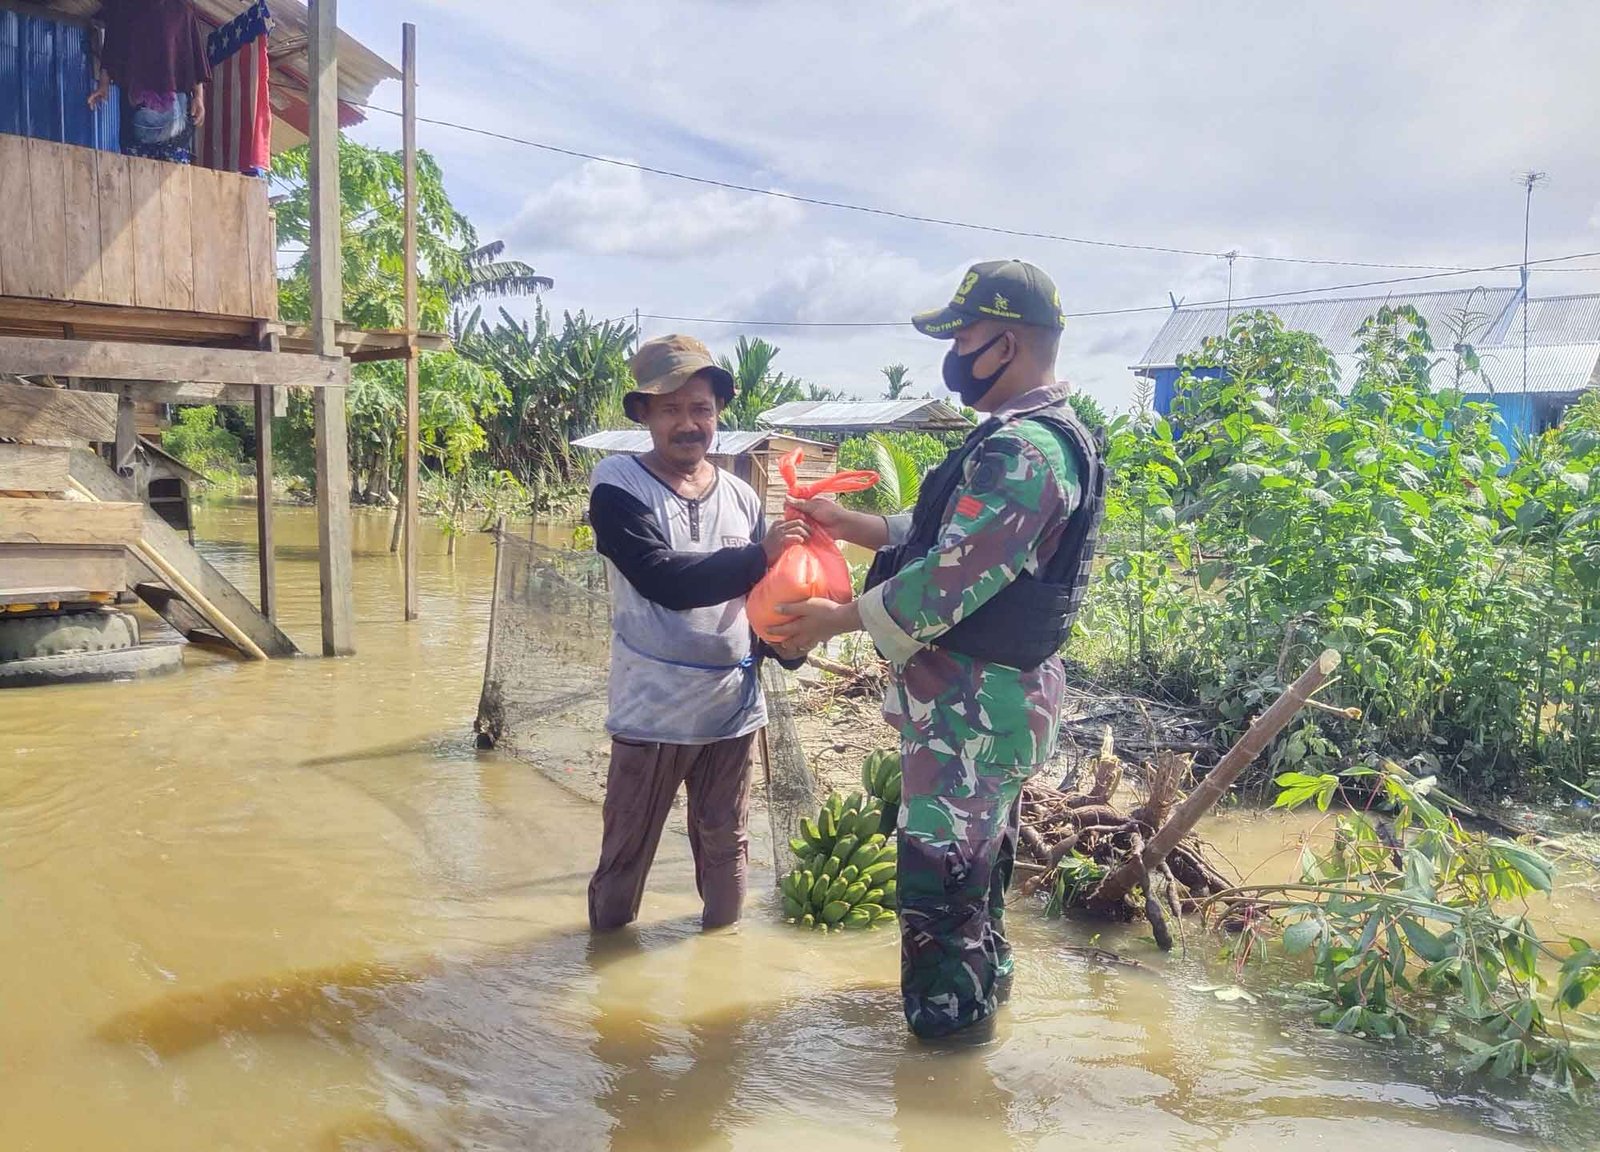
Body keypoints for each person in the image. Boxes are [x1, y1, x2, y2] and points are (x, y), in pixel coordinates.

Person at [771, 260, 1106, 1040]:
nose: (953, 353)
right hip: (986, 706)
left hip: (974, 711)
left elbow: (946, 584)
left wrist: (830, 620)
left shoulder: (1026, 451)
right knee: (976, 878)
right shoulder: (1029, 439)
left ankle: (945, 1056)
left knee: (940, 888)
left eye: (963, 336)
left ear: (1007, 342)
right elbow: (947, 537)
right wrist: (853, 526)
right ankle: (982, 1016)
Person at [586, 334, 809, 934]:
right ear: (643, 414)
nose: (689, 424)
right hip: (651, 713)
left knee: (726, 845)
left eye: (701, 409)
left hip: (731, 712)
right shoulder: (618, 484)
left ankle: (722, 965)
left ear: (717, 414)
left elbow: (761, 596)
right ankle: (606, 972)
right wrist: (759, 557)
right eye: (671, 409)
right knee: (626, 852)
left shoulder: (740, 494)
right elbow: (664, 581)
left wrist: (788, 644)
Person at [89, 0, 211, 165]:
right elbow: (111, 50)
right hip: (135, 118)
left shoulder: (183, 10)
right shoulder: (123, 8)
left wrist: (198, 97)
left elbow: (193, 56)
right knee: (135, 175)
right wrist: (103, 85)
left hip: (176, 118)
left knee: (174, 182)